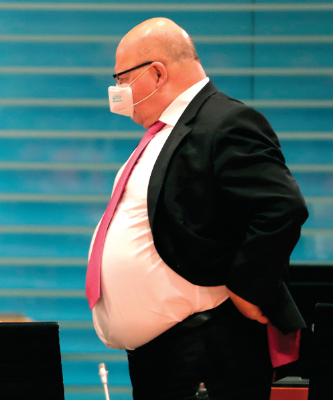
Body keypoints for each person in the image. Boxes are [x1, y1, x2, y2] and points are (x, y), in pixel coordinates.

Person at [85, 19, 308, 400]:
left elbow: (281, 208)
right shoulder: (167, 131)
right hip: (164, 354)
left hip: (207, 347)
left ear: (156, 73)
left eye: (122, 78)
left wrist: (247, 289)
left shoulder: (226, 121)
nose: (116, 90)